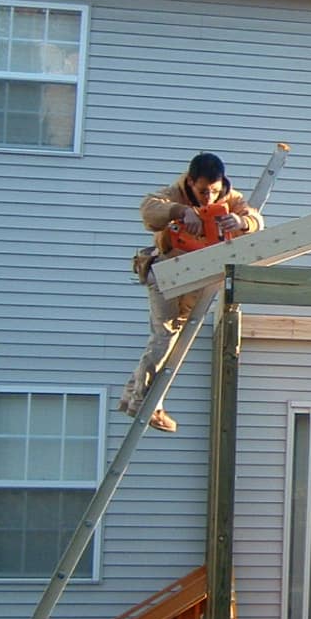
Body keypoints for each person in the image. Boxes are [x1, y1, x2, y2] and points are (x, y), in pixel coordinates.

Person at [119, 152, 263, 432]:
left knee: (173, 337)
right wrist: (179, 211)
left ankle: (132, 396)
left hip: (197, 277)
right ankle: (144, 402)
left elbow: (256, 219)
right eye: (202, 191)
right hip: (167, 272)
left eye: (214, 191)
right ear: (190, 181)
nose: (209, 197)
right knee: (165, 334)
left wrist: (242, 223)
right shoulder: (175, 193)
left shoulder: (231, 198)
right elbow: (148, 209)